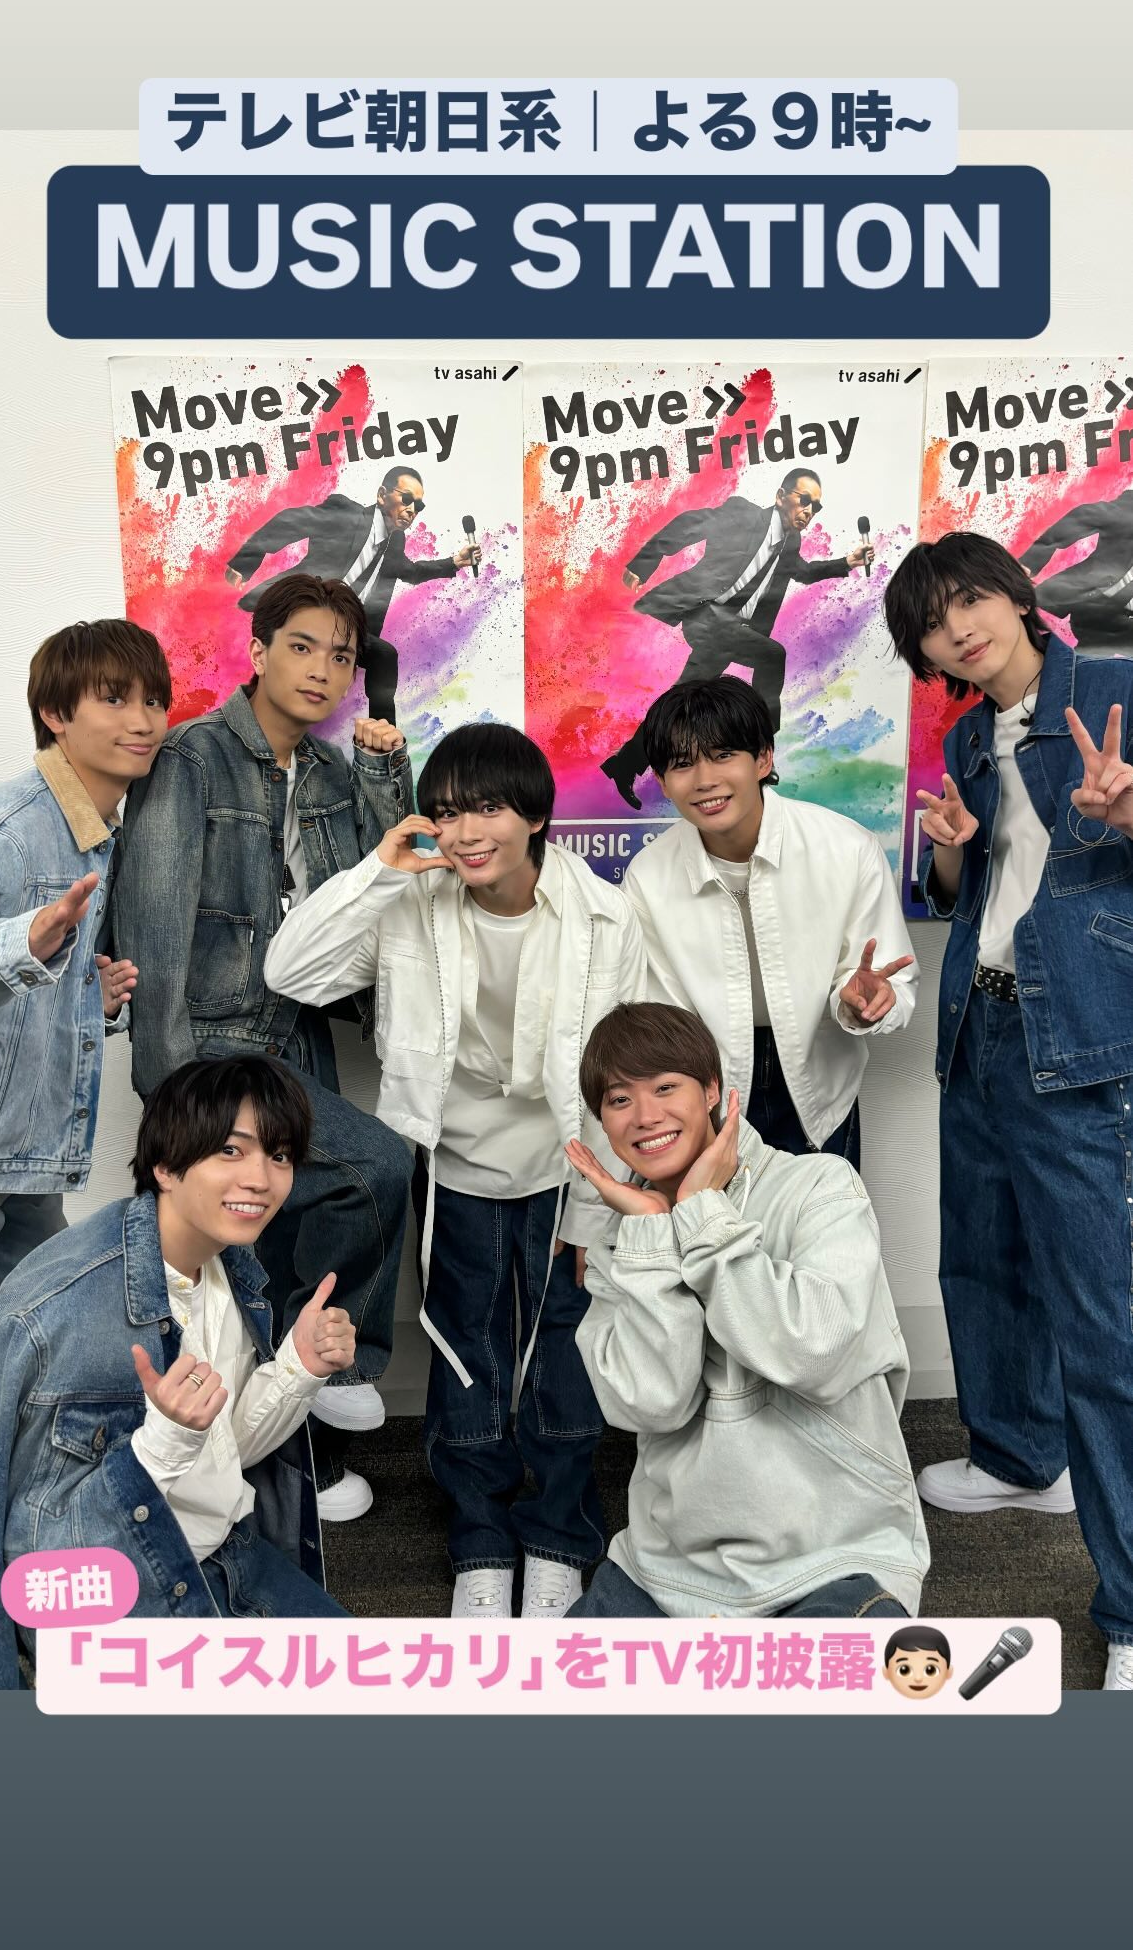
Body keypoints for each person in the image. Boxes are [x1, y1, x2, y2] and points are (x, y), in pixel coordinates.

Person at [264, 723, 647, 1618]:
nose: (467, 832)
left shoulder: (606, 916)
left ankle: (557, 1539)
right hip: (455, 1167)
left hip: (568, 1169)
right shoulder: (412, 901)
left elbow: (624, 1072)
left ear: (536, 816)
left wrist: (600, 1208)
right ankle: (480, 1541)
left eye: (488, 809)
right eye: (446, 812)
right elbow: (290, 971)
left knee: (562, 1352)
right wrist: (378, 871)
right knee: (465, 1348)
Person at [884, 528, 1133, 1692]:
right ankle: (1022, 1457)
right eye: (934, 627)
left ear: (1016, 594)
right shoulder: (967, 737)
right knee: (980, 1261)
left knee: (1104, 1325)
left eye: (969, 601)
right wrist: (953, 857)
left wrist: (1128, 813)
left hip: (1077, 1034)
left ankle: (1129, 1608)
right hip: (978, 1024)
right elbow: (979, 889)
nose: (959, 631)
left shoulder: (1116, 689)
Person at [113, 573, 414, 1523]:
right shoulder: (192, 758)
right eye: (302, 646)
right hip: (213, 1045)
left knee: (280, 1245)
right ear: (258, 651)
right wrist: (174, 1092)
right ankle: (341, 1366)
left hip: (298, 1034)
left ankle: (299, 1465)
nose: (322, 670)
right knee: (374, 1166)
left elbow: (387, 885)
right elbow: (153, 925)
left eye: (341, 657)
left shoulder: (329, 772)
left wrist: (381, 774)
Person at [0, 1056, 354, 1689]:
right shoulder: (58, 1313)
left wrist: (296, 1370)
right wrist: (163, 1443)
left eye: (279, 1156)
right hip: (126, 1601)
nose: (260, 1179)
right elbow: (29, 1554)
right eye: (231, 1150)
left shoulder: (231, 1267)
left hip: (229, 1557)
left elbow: (222, 1452)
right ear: (167, 1166)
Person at [562, 1002, 928, 1619]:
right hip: (670, 1568)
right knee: (547, 1685)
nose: (645, 1115)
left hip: (833, 1558)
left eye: (665, 1087)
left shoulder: (821, 1187)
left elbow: (809, 1351)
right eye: (620, 1099)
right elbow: (650, 1405)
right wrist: (653, 1234)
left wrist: (701, 1218)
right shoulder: (622, 1246)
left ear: (712, 1090)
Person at [0, 618, 170, 1346]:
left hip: (24, 1155)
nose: (142, 721)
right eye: (114, 699)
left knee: (35, 1353)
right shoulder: (6, 830)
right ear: (55, 713)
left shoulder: (97, 832)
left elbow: (21, 993)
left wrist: (89, 996)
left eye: (154, 701)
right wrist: (23, 943)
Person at [621, 676, 916, 1167]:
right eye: (682, 764)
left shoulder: (847, 849)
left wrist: (863, 1002)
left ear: (763, 759)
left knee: (824, 1214)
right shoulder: (648, 877)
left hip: (819, 1074)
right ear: (663, 780)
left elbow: (891, 981)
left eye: (723, 755)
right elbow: (661, 1011)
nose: (704, 780)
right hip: (704, 1082)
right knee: (714, 1217)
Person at [601, 470, 872, 808]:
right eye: (804, 500)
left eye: (815, 507)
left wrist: (847, 562)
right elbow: (688, 525)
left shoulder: (790, 543)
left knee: (679, 704)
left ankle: (625, 763)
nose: (808, 511)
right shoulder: (742, 515)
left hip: (734, 631)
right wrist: (644, 563)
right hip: (706, 617)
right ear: (780, 496)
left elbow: (802, 572)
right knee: (772, 656)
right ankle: (761, 751)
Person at [223, 465, 481, 722]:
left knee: (384, 655)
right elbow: (292, 521)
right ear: (382, 495)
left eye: (419, 505)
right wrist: (245, 563)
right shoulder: (346, 514)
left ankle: (381, 728)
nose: (412, 509)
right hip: (303, 610)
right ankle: (256, 715)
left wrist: (455, 562)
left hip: (346, 629)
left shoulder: (395, 541)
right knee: (286, 661)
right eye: (406, 499)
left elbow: (410, 571)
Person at [1015, 486, 1133, 655]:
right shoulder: (1126, 511)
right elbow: (1080, 518)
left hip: (1118, 612)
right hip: (1091, 601)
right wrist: (1028, 563)